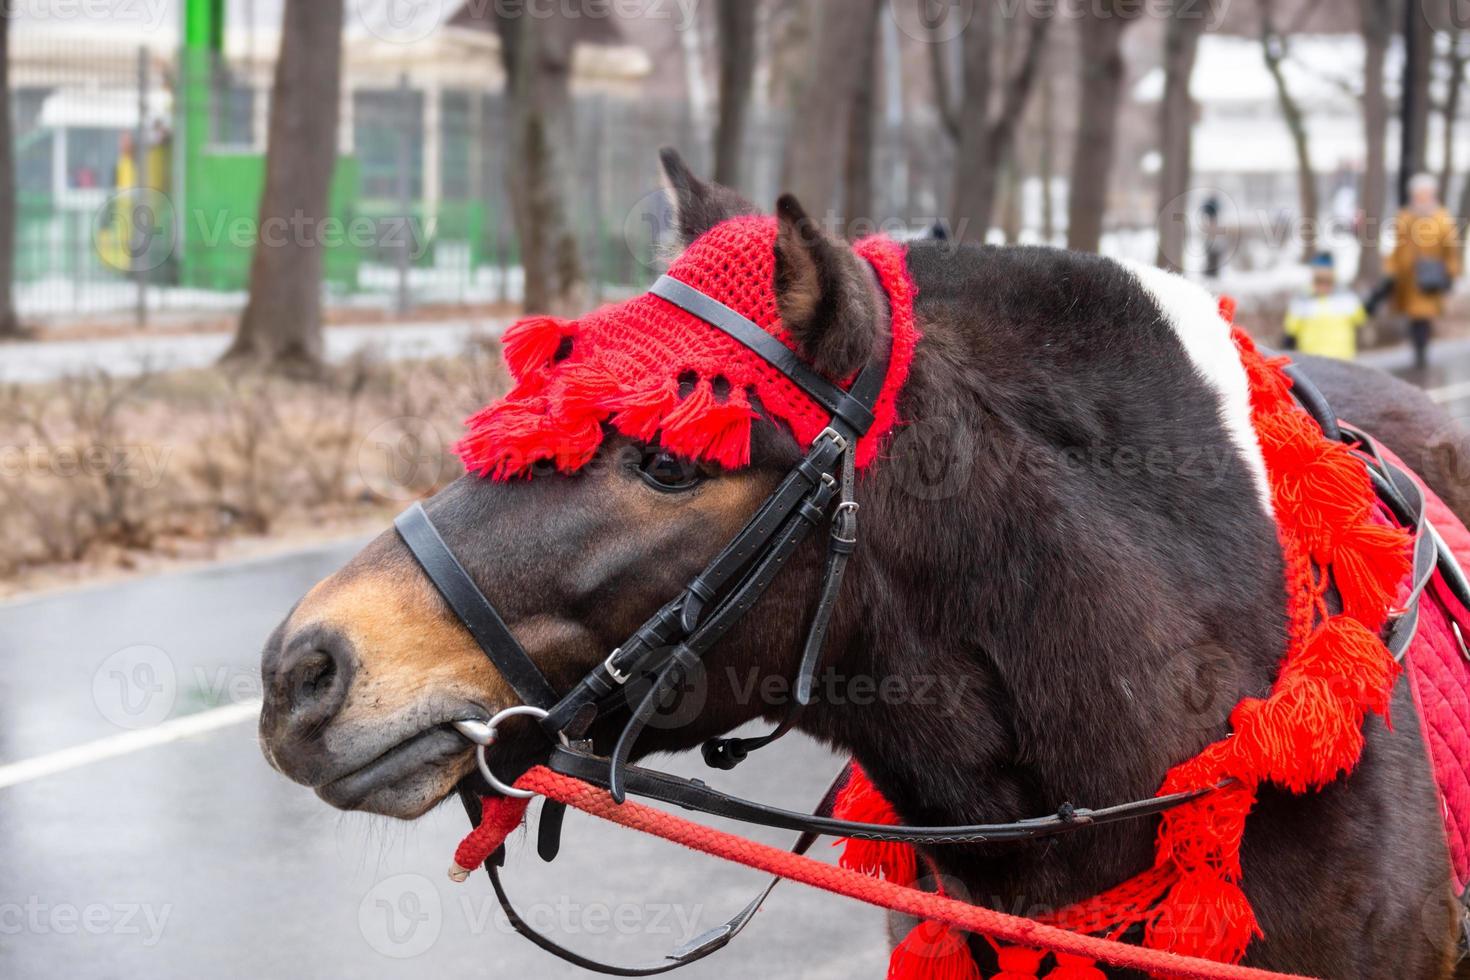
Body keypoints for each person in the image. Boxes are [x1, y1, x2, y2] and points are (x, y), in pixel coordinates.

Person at [1387, 173, 1460, 370]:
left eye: (1425, 194)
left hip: (1429, 275)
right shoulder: (1404, 216)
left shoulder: (1442, 218)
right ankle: (1418, 347)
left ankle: (1421, 350)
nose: (1421, 198)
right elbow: (1397, 246)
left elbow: (1450, 249)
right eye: (1418, 194)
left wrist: (1451, 272)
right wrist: (1392, 268)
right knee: (1414, 315)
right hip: (1408, 277)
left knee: (1422, 314)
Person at [1284, 253, 1367, 360]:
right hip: (1313, 363)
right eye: (1319, 280)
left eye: (1327, 281)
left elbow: (1362, 317)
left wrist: (1376, 299)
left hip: (1343, 361)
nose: (1323, 285)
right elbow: (1291, 331)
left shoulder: (1346, 297)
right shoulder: (1302, 300)